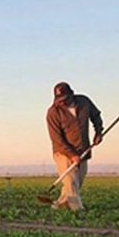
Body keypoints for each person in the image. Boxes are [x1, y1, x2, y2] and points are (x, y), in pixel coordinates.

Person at [46, 82, 103, 211]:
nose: (62, 103)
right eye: (59, 100)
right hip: (63, 152)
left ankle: (59, 205)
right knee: (71, 181)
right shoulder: (53, 112)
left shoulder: (84, 102)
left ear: (71, 94)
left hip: (83, 149)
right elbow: (57, 139)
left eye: (64, 99)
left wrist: (98, 132)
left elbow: (96, 116)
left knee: (76, 182)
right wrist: (71, 155)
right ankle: (78, 210)